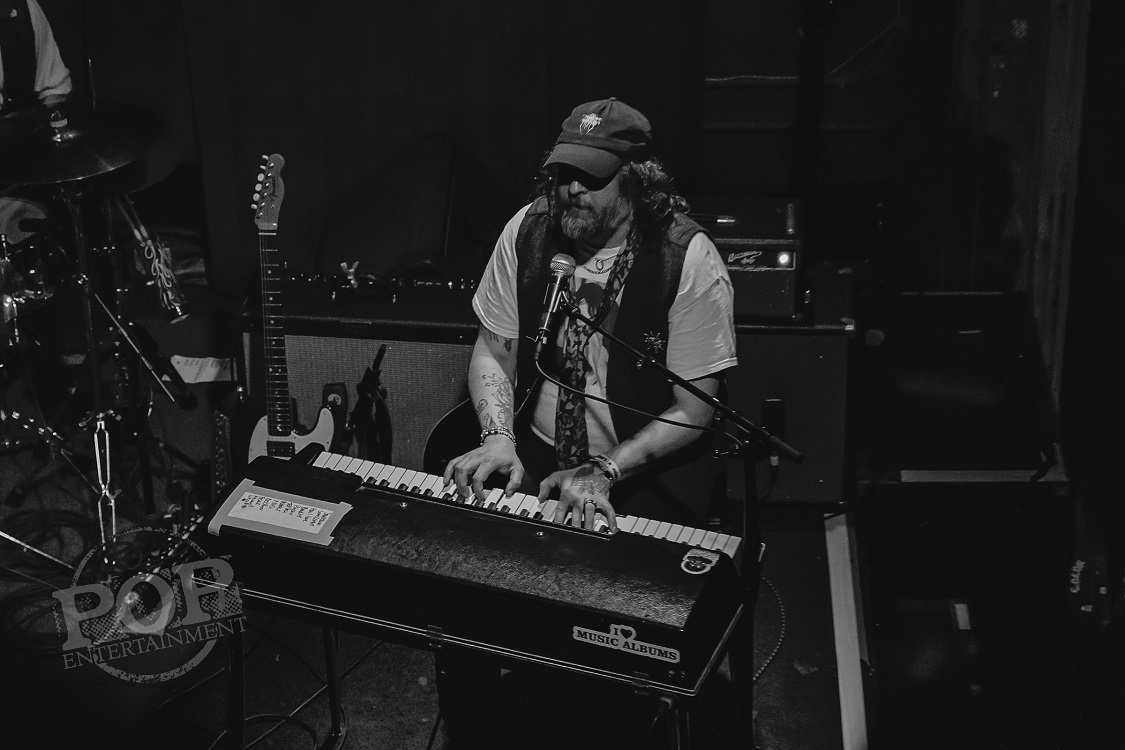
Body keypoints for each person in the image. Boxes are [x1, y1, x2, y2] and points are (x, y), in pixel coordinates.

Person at [437, 97, 737, 749]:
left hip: (643, 477)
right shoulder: (527, 232)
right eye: (563, 173)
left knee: (610, 657)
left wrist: (603, 470)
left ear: (637, 178)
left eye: (591, 177)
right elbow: (494, 347)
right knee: (470, 608)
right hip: (537, 455)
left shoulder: (686, 258)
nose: (571, 189)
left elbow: (696, 410)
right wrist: (498, 436)